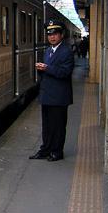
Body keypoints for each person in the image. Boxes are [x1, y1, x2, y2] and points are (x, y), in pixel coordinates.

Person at [29, 20, 74, 162]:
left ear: (61, 35)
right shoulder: (48, 50)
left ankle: (56, 152)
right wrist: (41, 69)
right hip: (47, 95)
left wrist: (47, 68)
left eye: (55, 34)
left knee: (58, 126)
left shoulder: (66, 51)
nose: (52, 37)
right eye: (49, 35)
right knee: (47, 126)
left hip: (59, 97)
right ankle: (45, 150)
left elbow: (65, 72)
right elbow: (49, 72)